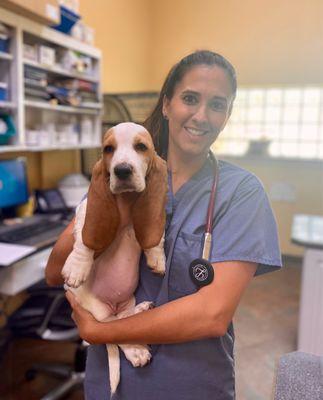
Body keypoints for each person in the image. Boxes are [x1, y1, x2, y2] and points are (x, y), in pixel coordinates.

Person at [45, 50, 282, 400]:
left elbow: (212, 315)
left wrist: (102, 331)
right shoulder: (120, 171)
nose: (201, 116)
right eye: (189, 98)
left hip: (190, 385)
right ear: (167, 104)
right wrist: (103, 215)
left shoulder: (241, 192)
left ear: (227, 115)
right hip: (111, 386)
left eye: (217, 105)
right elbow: (55, 272)